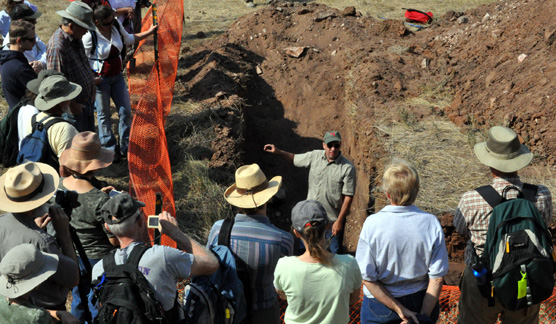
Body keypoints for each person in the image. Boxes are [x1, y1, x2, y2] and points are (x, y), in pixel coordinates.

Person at [454, 125, 553, 324]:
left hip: (482, 279)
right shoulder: (542, 195)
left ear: (489, 163)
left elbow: (460, 229)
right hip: (526, 279)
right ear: (518, 161)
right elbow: (546, 225)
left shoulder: (471, 199)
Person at [91, 193, 219, 320]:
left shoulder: (98, 269)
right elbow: (211, 263)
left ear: (107, 227)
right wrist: (175, 233)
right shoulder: (162, 257)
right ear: (141, 220)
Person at [355, 159, 449, 324]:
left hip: (380, 307)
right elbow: (437, 278)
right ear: (416, 191)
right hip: (421, 300)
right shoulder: (430, 223)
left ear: (388, 193)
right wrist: (420, 318)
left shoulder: (372, 224)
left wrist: (400, 310)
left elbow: (366, 277)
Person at [206, 163, 294, 324]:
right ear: (268, 197)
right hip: (264, 313)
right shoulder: (284, 240)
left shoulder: (219, 229)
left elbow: (209, 265)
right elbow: (283, 283)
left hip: (227, 311)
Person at [0, 161, 79, 311]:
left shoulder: (2, 222)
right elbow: (73, 278)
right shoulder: (41, 241)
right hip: (44, 310)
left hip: (10, 305)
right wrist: (63, 233)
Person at [82, 5, 157, 160]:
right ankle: (109, 150)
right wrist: (90, 79)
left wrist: (149, 32)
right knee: (104, 115)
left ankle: (126, 146)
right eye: (106, 24)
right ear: (97, 22)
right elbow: (82, 59)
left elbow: (129, 39)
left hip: (117, 77)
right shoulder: (89, 36)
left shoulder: (116, 25)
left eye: (111, 22)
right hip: (100, 81)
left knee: (125, 111)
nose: (110, 25)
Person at [264, 130, 356, 253]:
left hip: (331, 220)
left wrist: (339, 221)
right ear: (324, 145)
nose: (333, 149)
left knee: (334, 254)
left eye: (336, 145)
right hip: (310, 218)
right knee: (306, 251)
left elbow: (348, 196)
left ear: (340, 145)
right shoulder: (315, 156)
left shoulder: (347, 168)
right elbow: (294, 158)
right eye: (330, 145)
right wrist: (278, 151)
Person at [58, 131, 116, 322]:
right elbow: (113, 239)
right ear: (96, 166)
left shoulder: (58, 188)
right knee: (97, 302)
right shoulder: (100, 200)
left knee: (78, 297)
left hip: (70, 255)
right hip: (98, 259)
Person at [274, 199, 362, 324]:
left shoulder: (284, 266)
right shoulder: (349, 264)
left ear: (296, 233)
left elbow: (283, 295)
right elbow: (353, 299)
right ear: (327, 226)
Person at [47, 1, 96, 132]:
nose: (86, 31)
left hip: (86, 104)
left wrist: (92, 86)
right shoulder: (57, 48)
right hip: (74, 111)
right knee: (78, 148)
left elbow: (83, 63)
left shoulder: (75, 37)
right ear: (71, 26)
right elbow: (57, 85)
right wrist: (74, 106)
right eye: (84, 27)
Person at [0, 243, 79, 324]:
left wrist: (59, 313)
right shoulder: (36, 317)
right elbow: (34, 315)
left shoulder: (2, 299)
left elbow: (23, 310)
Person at [19, 74, 80, 174]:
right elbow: (66, 168)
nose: (70, 101)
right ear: (62, 102)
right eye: (69, 98)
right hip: (55, 182)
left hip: (36, 177)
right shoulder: (65, 129)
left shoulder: (34, 119)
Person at [0, 19, 36, 109]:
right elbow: (39, 93)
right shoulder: (19, 68)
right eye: (31, 40)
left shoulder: (7, 59)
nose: (35, 42)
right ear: (19, 41)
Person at [2, 3, 46, 73]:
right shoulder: (11, 44)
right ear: (21, 21)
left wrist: (40, 62)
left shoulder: (29, 33)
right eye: (32, 21)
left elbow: (45, 49)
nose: (35, 23)